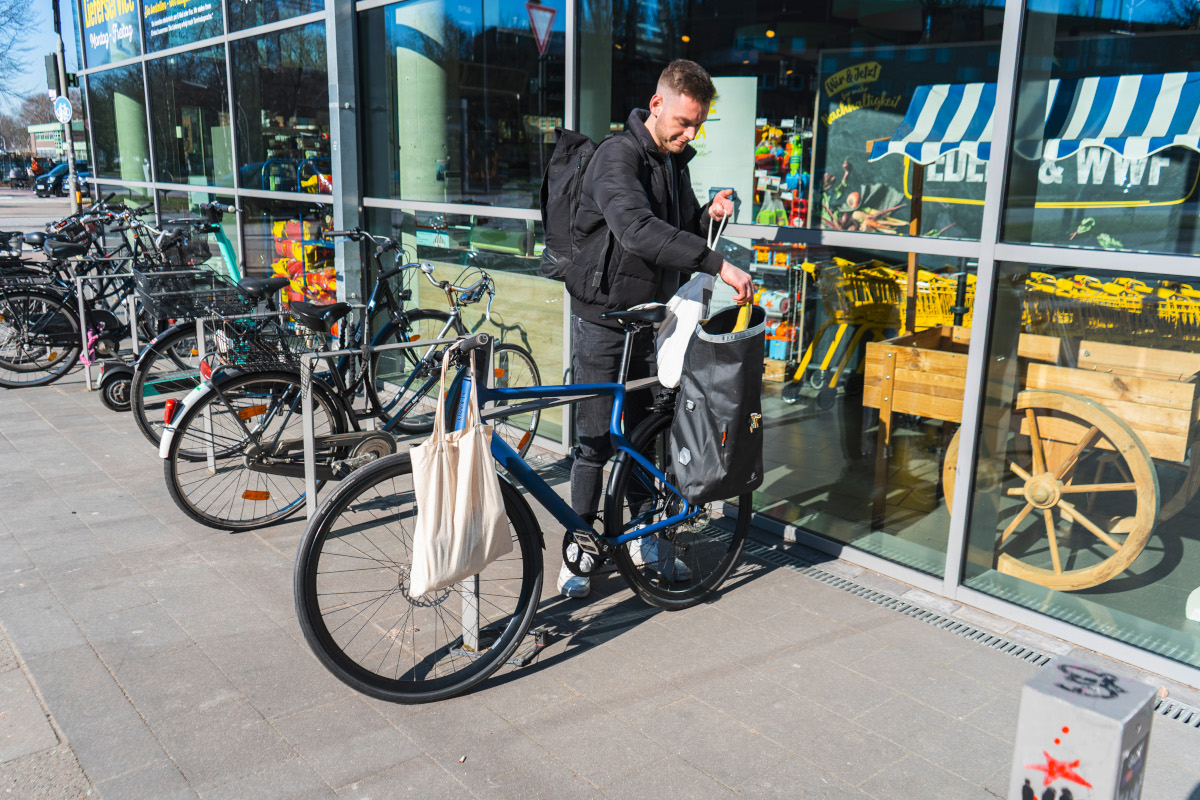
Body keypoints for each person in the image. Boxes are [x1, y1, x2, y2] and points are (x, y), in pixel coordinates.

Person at [559, 59, 754, 598]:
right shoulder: (614, 158)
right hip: (601, 320)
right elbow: (638, 230)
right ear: (657, 103)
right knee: (594, 439)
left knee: (648, 436)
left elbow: (677, 228)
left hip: (652, 318)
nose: (689, 135)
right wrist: (719, 264)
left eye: (698, 127)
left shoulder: (674, 162)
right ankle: (579, 552)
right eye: (684, 123)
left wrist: (708, 215)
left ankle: (647, 539)